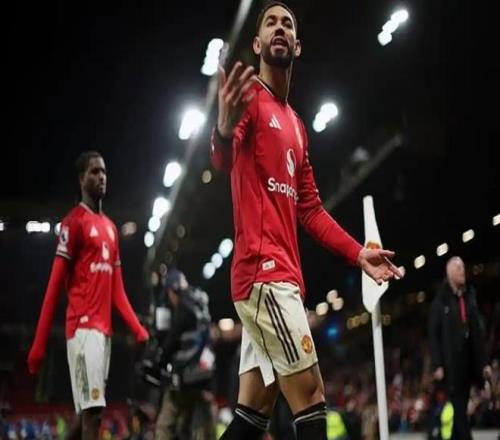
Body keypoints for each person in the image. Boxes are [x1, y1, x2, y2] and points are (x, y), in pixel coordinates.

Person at [210, 2, 402, 439]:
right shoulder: (250, 102)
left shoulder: (297, 125)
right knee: (311, 394)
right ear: (257, 43)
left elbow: (310, 209)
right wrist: (221, 130)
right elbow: (223, 158)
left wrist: (359, 254)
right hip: (263, 275)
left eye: (287, 24)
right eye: (270, 23)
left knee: (253, 412)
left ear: (297, 46)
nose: (279, 28)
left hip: (282, 279)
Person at [27, 151, 149, 440]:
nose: (101, 176)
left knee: (85, 414)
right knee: (94, 413)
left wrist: (137, 329)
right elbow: (54, 286)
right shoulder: (73, 223)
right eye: (94, 172)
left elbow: (117, 291)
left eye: (104, 171)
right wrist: (38, 344)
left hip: (104, 333)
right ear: (81, 179)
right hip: (82, 330)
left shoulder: (111, 229)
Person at [428, 256, 491, 439]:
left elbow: (477, 333)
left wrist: (484, 363)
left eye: (463, 267)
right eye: (458, 268)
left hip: (468, 364)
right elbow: (434, 335)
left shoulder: (469, 296)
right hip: (450, 367)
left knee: (460, 409)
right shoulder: (440, 301)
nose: (463, 271)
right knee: (458, 409)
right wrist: (437, 364)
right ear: (450, 273)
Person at [154, 268, 216, 440]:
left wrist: (160, 362)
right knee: (189, 426)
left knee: (164, 425)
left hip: (185, 377)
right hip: (204, 376)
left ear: (172, 291)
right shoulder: (201, 301)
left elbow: (172, 341)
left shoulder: (183, 307)